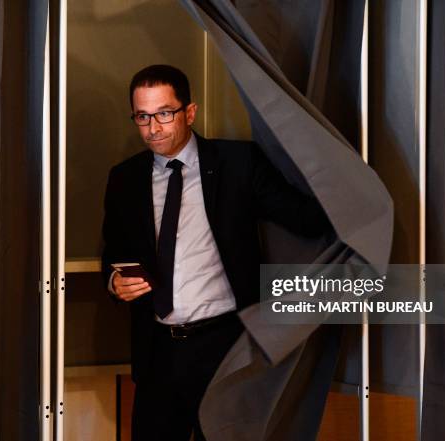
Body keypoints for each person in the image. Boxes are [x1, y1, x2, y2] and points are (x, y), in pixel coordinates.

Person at [101, 64, 330, 441]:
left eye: (164, 113)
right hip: (157, 352)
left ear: (190, 112)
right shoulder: (124, 178)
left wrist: (346, 183)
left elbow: (306, 219)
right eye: (142, 116)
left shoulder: (238, 164)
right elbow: (113, 250)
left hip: (225, 347)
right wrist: (114, 281)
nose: (153, 128)